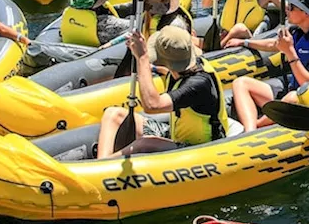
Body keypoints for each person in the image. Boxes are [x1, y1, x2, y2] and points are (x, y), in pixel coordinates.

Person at [228, 0, 309, 132]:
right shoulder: (297, 31)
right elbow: (274, 44)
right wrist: (245, 42)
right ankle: (250, 130)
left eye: (291, 7)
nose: (287, 9)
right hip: (293, 89)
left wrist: (290, 52)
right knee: (241, 83)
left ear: (305, 12)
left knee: (292, 98)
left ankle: (257, 127)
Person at [94, 27, 227, 158]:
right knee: (113, 114)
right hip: (175, 135)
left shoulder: (198, 84)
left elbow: (152, 105)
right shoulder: (183, 68)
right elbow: (167, 70)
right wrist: (151, 66)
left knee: (144, 144)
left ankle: (102, 168)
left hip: (199, 148)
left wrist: (142, 58)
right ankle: (103, 165)